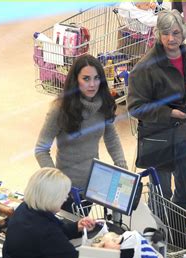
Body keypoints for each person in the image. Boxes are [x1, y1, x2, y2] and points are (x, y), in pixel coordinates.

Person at [127, 9, 186, 212]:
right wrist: (169, 113)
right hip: (160, 137)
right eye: (166, 33)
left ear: (183, 33)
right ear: (158, 34)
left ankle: (178, 231)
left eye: (176, 33)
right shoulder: (145, 68)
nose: (171, 38)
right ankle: (159, 235)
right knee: (162, 192)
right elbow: (135, 107)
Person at [35, 54, 128, 212]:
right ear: (75, 80)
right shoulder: (60, 109)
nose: (92, 84)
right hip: (65, 192)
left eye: (96, 78)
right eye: (86, 79)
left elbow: (111, 137)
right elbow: (41, 149)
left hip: (92, 186)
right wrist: (57, 181)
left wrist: (122, 167)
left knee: (83, 232)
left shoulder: (103, 104)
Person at [2, 167, 96, 258]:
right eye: (64, 195)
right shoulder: (45, 231)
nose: (66, 198)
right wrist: (108, 252)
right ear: (51, 198)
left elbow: (57, 231)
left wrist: (77, 226)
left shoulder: (25, 208)